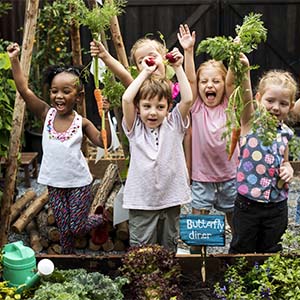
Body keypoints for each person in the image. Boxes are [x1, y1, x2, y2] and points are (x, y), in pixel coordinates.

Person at [7, 42, 112, 254]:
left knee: (77, 227)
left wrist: (105, 115)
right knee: (64, 230)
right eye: (54, 91)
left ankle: (102, 218)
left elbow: (104, 142)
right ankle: (68, 261)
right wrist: (14, 60)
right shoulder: (47, 114)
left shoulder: (82, 123)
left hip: (78, 183)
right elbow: (24, 90)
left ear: (79, 97)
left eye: (66, 91)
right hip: (55, 183)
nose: (59, 96)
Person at [121, 47, 193, 252]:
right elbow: (127, 98)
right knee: (142, 248)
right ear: (138, 108)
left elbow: (187, 99)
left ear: (169, 107)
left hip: (171, 197)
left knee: (168, 244)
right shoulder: (134, 128)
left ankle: (164, 281)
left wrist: (178, 67)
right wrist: (145, 72)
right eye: (147, 106)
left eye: (160, 107)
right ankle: (143, 283)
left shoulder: (174, 124)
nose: (153, 112)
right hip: (142, 201)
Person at [90, 36, 192, 177]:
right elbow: (123, 75)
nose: (147, 61)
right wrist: (104, 55)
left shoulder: (177, 87)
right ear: (138, 69)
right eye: (140, 61)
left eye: (152, 56)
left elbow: (188, 98)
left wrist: (183, 59)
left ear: (164, 59)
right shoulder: (139, 90)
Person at [229, 55, 297, 253]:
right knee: (242, 247)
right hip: (248, 204)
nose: (276, 107)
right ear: (259, 99)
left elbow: (284, 162)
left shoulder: (286, 133)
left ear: (291, 106)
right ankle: (238, 281)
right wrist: (246, 70)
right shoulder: (250, 123)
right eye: (270, 101)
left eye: (283, 103)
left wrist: (288, 169)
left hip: (277, 205)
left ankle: (265, 283)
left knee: (272, 248)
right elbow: (245, 94)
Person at [177, 24, 237, 250]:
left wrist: (234, 54)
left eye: (216, 81)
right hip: (202, 177)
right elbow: (190, 81)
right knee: (198, 228)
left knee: (235, 221)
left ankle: (236, 255)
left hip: (230, 176)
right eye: (205, 82)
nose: (209, 85)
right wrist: (188, 52)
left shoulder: (230, 106)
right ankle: (196, 258)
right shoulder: (197, 107)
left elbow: (233, 81)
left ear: (223, 85)